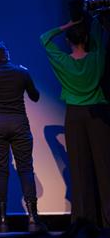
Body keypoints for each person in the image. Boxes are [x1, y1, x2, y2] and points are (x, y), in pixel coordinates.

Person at [40, 16, 110, 228]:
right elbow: (99, 36)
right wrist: (95, 21)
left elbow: (44, 39)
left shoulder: (63, 60)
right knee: (105, 168)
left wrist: (67, 25)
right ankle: (108, 223)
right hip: (97, 113)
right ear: (86, 38)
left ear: (69, 40)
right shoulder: (96, 57)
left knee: (79, 170)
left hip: (74, 115)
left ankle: (82, 221)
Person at [0, 41, 46, 233]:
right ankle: (33, 219)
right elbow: (35, 97)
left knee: (0, 170)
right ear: (8, 54)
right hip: (19, 123)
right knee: (25, 168)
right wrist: (27, 78)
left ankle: (2, 220)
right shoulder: (22, 72)